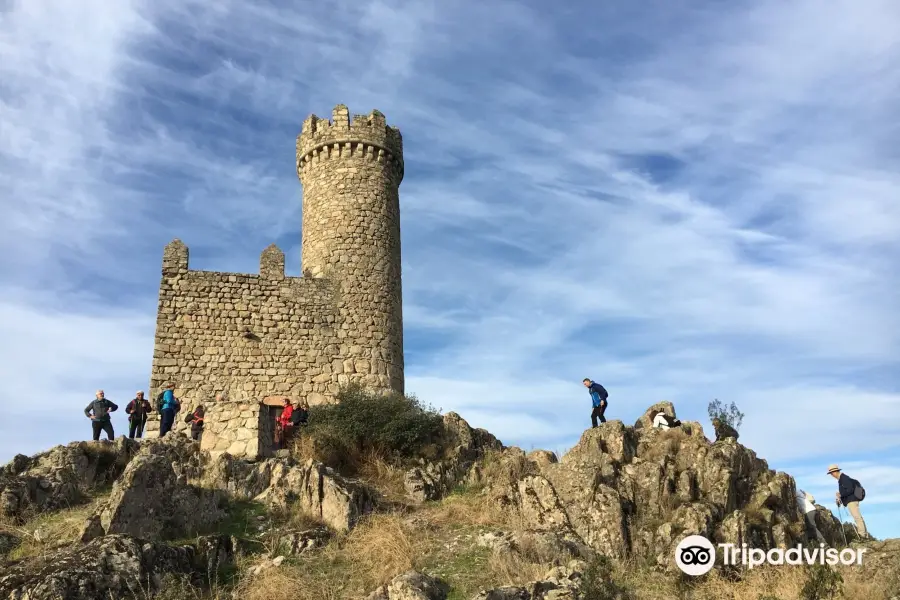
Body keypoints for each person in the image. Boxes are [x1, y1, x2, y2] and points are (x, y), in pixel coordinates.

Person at [827, 464, 869, 539]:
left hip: (852, 501)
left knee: (857, 517)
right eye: (831, 473)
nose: (832, 475)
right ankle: (864, 535)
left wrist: (840, 495)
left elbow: (850, 490)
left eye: (832, 473)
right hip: (851, 500)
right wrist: (840, 499)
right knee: (858, 517)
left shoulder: (844, 478)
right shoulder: (842, 479)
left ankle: (863, 535)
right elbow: (848, 490)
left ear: (836, 471)